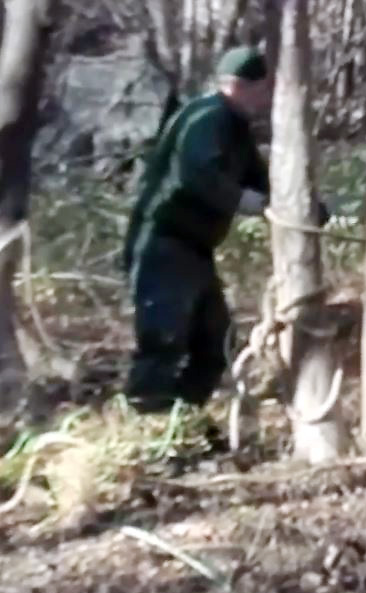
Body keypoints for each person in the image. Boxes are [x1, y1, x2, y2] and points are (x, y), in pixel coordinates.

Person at [121, 45, 273, 413]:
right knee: (164, 340)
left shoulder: (235, 128)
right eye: (262, 88)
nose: (266, 97)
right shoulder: (207, 117)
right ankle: (147, 428)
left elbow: (261, 181)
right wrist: (241, 200)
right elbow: (197, 174)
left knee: (214, 342)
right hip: (161, 243)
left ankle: (184, 419)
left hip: (194, 250)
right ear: (239, 86)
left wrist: (306, 207)